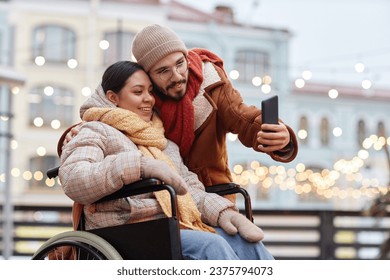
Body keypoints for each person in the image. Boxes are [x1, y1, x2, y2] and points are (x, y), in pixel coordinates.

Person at [59, 60, 274, 260]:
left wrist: (224, 213)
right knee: (211, 246)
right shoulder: (95, 130)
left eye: (150, 91)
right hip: (124, 228)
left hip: (170, 225)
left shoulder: (161, 141)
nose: (148, 99)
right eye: (137, 92)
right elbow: (74, 179)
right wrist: (140, 166)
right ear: (113, 97)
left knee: (247, 243)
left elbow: (187, 188)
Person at [60, 24, 298, 202]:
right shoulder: (143, 98)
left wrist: (281, 137)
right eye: (163, 71)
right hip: (158, 201)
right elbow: (103, 114)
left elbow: (243, 117)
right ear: (148, 74)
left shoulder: (211, 83)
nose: (177, 76)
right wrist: (74, 133)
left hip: (213, 191)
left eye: (180, 63)